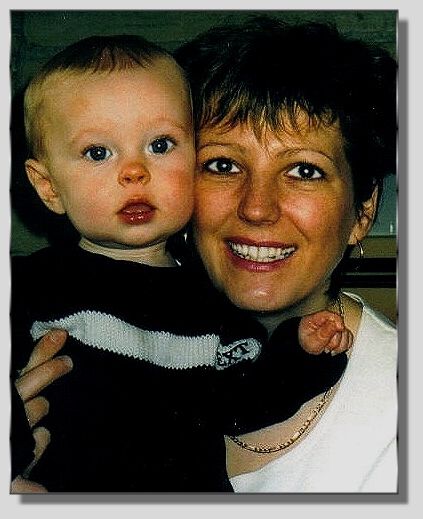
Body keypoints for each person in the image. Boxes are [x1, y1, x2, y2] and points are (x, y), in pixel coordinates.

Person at [10, 32, 352, 492]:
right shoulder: (28, 285)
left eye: (160, 145)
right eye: (98, 152)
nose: (135, 171)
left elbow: (244, 402)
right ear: (48, 186)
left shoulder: (216, 304)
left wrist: (300, 354)